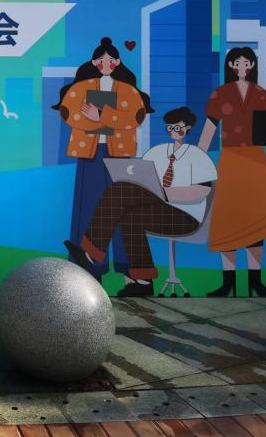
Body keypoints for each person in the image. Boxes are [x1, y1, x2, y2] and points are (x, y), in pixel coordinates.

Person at [64, 107, 216, 297]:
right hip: (158, 207)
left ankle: (91, 254)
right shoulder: (156, 152)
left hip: (185, 216)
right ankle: (143, 281)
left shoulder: (197, 155)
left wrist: (163, 193)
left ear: (188, 128)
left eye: (177, 128)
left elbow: (201, 191)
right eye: (170, 128)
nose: (173, 132)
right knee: (126, 207)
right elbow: (143, 179)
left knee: (122, 193)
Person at [53, 37, 151, 283]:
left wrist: (101, 116)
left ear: (118, 62)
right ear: (94, 62)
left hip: (120, 154)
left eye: (110, 60)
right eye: (100, 60)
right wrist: (109, 121)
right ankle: (89, 268)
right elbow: (69, 113)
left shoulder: (127, 90)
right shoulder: (81, 88)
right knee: (89, 208)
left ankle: (129, 267)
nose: (105, 64)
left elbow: (136, 117)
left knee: (124, 210)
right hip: (91, 154)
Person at [197, 46, 266, 297]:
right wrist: (198, 156)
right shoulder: (221, 94)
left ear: (252, 65)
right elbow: (210, 128)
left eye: (246, 63)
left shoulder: (262, 94)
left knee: (256, 219)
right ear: (231, 66)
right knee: (228, 219)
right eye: (237, 63)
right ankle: (228, 282)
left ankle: (256, 281)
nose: (242, 67)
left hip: (256, 161)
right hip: (231, 160)